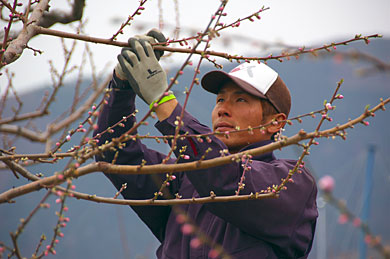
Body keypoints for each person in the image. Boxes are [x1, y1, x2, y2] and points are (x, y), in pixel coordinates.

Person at [94, 30, 318, 259]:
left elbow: (225, 178)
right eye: (220, 99)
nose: (223, 108)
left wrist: (163, 102)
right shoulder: (185, 178)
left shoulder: (292, 182)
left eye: (240, 99)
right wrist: (122, 87)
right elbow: (113, 154)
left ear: (274, 123)